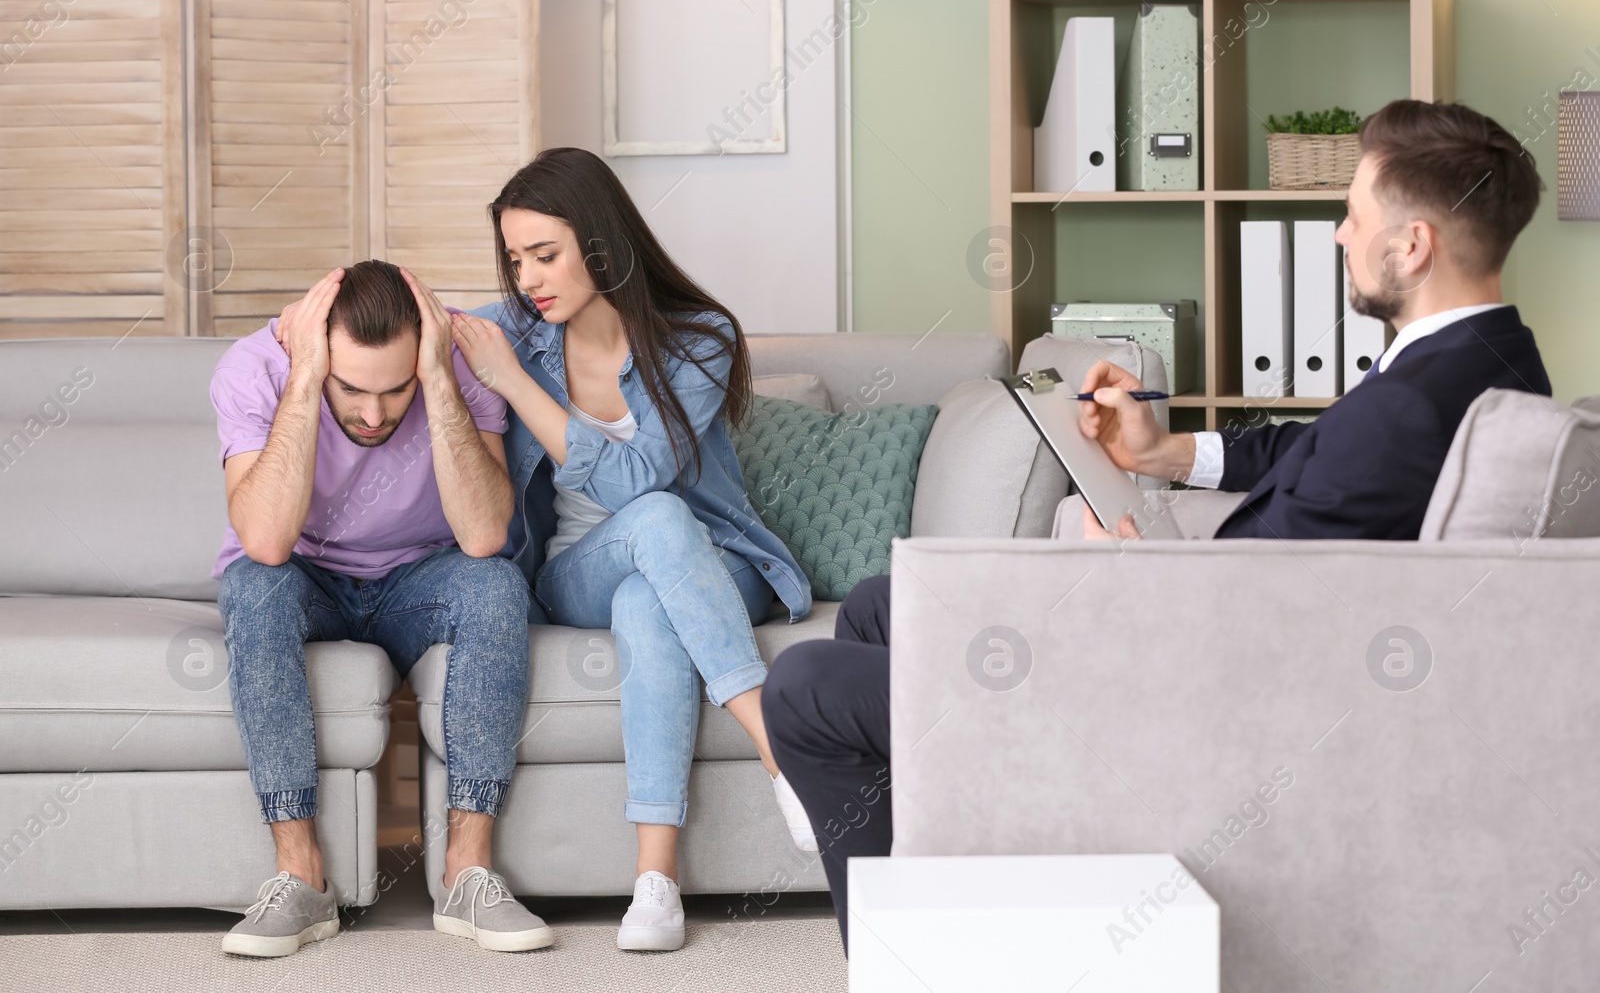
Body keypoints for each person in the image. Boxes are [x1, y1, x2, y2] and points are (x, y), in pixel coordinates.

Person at [762, 98, 1553, 951]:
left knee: (805, 688)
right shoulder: (1487, 364)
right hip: (1212, 650)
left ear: (1412, 245)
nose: (1336, 237)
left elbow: (1244, 619)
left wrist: (1129, 575)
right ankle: (952, 907)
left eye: (1352, 217)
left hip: (1175, 705)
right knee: (883, 604)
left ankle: (897, 955)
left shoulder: (1405, 409)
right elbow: (1313, 452)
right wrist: (1164, 451)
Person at [450, 146, 816, 952]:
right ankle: (779, 747)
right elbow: (410, 337)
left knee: (649, 566)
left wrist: (515, 383)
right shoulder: (516, 334)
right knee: (645, 533)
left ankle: (655, 883)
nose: (529, 277)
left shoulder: (700, 338)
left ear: (602, 243)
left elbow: (639, 476)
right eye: (516, 259)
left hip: (712, 560)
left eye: (545, 254)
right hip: (576, 570)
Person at [212, 260, 551, 957]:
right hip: (304, 575)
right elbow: (268, 541)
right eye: (352, 388)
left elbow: (485, 535)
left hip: (417, 578)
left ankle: (468, 871)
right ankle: (301, 874)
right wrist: (306, 378)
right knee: (252, 583)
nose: (373, 415)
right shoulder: (255, 367)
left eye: (395, 391)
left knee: (496, 584)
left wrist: (437, 379)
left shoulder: (455, 364)